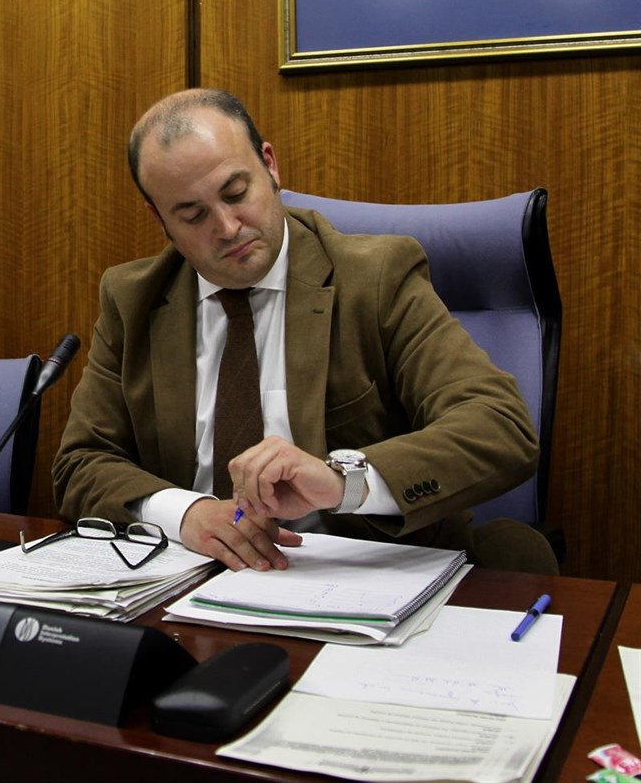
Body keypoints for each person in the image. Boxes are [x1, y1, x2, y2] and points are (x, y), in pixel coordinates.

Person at [53, 89, 552, 573]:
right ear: (159, 218)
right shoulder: (134, 298)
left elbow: (499, 426)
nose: (227, 227)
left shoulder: (375, 278)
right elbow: (81, 462)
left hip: (358, 580)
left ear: (269, 165)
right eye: (193, 214)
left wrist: (344, 479)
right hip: (195, 579)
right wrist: (185, 514)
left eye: (236, 192)